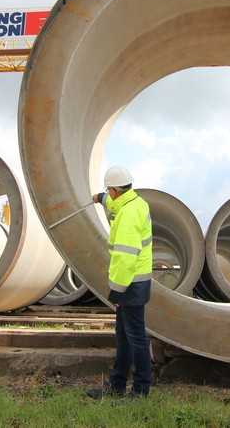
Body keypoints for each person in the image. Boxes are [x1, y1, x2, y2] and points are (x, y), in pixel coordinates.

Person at [86, 165, 153, 399]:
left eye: (108, 191)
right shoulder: (133, 202)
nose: (108, 195)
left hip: (130, 284)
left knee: (135, 338)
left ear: (116, 189)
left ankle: (141, 390)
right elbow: (113, 203)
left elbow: (125, 257)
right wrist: (99, 198)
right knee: (124, 336)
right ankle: (116, 386)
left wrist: (117, 291)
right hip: (134, 284)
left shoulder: (127, 215)